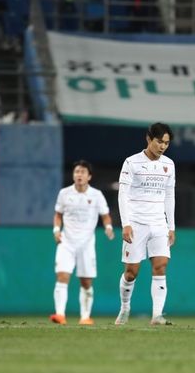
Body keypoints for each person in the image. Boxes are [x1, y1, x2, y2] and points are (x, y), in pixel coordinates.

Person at [115, 122, 176, 326]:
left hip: (159, 223)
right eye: (159, 142)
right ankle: (125, 308)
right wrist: (126, 223)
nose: (163, 146)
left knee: (161, 265)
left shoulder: (169, 165)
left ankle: (157, 315)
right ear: (149, 139)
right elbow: (123, 194)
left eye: (166, 143)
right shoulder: (131, 162)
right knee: (131, 272)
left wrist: (171, 226)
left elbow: (169, 196)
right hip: (136, 223)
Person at [50, 160, 114, 326]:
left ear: (89, 176)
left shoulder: (96, 195)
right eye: (77, 171)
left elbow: (105, 215)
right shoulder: (64, 193)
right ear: (73, 175)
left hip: (86, 244)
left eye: (83, 172)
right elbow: (58, 215)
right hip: (66, 242)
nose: (79, 174)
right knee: (62, 276)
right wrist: (56, 230)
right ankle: (60, 314)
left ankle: (85, 317)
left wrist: (108, 227)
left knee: (86, 282)